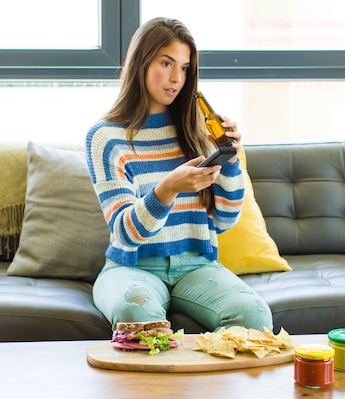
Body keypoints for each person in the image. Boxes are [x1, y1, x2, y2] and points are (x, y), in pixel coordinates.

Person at [85, 17, 273, 333]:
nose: (176, 78)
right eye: (167, 63)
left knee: (253, 314)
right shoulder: (106, 138)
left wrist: (230, 161)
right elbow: (126, 232)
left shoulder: (197, 132)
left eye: (185, 68)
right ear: (141, 64)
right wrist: (167, 189)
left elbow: (225, 222)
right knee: (135, 312)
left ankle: (210, 384)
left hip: (197, 265)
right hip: (131, 267)